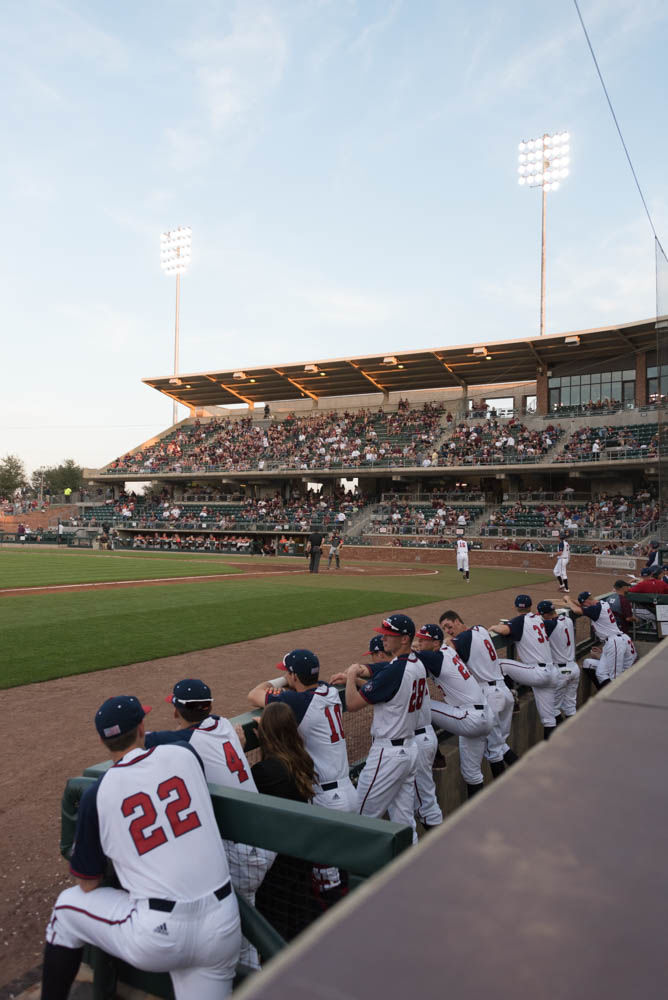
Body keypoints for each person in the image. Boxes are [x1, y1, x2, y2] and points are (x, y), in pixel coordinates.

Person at [42, 696, 241, 1000]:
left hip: (159, 936)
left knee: (66, 909)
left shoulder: (98, 793)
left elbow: (88, 882)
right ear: (142, 727)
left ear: (101, 740)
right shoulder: (183, 756)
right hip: (223, 926)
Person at [145, 679, 275, 969]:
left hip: (243, 854)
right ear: (211, 706)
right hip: (265, 840)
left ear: (177, 711)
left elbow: (140, 741)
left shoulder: (186, 740)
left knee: (239, 934)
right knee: (246, 920)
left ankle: (249, 980)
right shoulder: (224, 725)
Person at [249, 650, 356, 902]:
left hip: (326, 800)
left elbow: (254, 694)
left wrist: (281, 681)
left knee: (326, 879)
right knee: (342, 867)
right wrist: (292, 680)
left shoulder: (298, 702)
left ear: (293, 676)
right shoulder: (328, 691)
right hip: (348, 790)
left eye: (287, 672)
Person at [242, 702, 319, 942]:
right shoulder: (302, 759)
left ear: (265, 734)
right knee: (299, 920)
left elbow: (241, 788)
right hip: (301, 853)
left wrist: (241, 747)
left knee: (276, 928)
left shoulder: (265, 772)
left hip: (278, 861)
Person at [342, 614, 422, 841]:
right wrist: (363, 670)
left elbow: (352, 704)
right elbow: (386, 669)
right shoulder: (416, 663)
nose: (383, 638)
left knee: (360, 819)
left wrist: (350, 676)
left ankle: (360, 875)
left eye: (389, 635)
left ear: (404, 639)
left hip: (387, 756)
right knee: (405, 823)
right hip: (409, 751)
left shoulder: (395, 672)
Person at [414, 623, 499, 797]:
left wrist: (415, 649)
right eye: (419, 639)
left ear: (435, 644)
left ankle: (435, 755)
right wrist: (421, 647)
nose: (420, 642)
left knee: (423, 705)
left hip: (470, 718)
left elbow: (405, 657)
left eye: (424, 640)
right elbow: (443, 644)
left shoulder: (436, 658)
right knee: (472, 774)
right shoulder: (447, 650)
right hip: (484, 715)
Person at [439, 610, 518, 775]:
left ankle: (508, 787)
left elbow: (446, 649)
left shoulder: (463, 638)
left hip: (489, 696)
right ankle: (522, 774)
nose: (448, 630)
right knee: (500, 745)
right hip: (503, 691)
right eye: (444, 629)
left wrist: (447, 641)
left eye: (449, 626)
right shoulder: (480, 629)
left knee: (495, 751)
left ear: (459, 621)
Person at [493, 595, 560, 740]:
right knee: (549, 720)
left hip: (537, 673)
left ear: (516, 606)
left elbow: (504, 631)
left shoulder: (519, 620)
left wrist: (494, 627)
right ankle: (553, 749)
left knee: (500, 664)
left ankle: (512, 695)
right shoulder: (539, 619)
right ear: (531, 606)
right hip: (552, 673)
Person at [564, 592, 637, 686]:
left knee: (614, 677)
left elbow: (577, 611)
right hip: (613, 641)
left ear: (587, 601)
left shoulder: (596, 609)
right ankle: (604, 695)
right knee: (601, 673)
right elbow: (582, 605)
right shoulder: (602, 603)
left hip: (614, 642)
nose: (584, 607)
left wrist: (568, 600)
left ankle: (615, 698)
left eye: (584, 604)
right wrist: (571, 600)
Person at [537, 600, 580, 720]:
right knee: (570, 707)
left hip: (562, 672)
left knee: (552, 709)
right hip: (574, 669)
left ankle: (558, 737)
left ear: (545, 615)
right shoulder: (568, 620)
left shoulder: (549, 625)